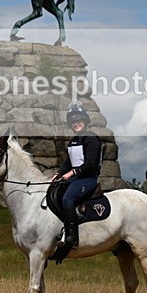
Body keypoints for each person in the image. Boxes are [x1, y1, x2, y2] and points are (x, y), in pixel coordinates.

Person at [54, 102, 102, 249]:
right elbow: (67, 163)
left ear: (85, 121)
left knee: (68, 198)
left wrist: (71, 173)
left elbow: (90, 164)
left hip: (87, 179)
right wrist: (57, 175)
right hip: (75, 178)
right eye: (73, 121)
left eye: (78, 120)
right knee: (55, 192)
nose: (76, 123)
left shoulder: (91, 139)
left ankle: (72, 237)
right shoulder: (73, 141)